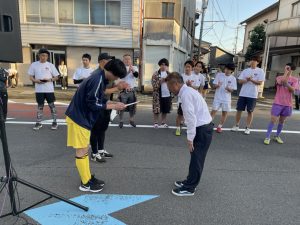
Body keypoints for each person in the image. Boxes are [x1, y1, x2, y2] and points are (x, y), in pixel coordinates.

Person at [65, 59, 127, 192]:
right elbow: (92, 104)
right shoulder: (97, 79)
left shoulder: (100, 76)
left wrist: (114, 104)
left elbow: (99, 99)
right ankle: (85, 183)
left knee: (84, 149)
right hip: (79, 118)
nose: (116, 79)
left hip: (81, 117)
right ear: (111, 72)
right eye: (116, 76)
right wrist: (113, 105)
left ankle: (87, 177)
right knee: (81, 150)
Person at [165, 72, 213, 197]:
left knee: (197, 159)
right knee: (195, 158)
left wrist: (190, 138)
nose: (169, 89)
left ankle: (190, 188)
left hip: (201, 129)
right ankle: (189, 181)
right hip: (203, 127)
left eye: (169, 87)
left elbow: (191, 119)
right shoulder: (187, 92)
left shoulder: (186, 95)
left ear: (175, 84)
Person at [90, 53, 128, 163]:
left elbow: (113, 86)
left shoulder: (106, 74)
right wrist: (116, 89)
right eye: (109, 60)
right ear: (102, 61)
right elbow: (100, 92)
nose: (111, 63)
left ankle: (100, 150)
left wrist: (120, 86)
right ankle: (94, 153)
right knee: (95, 130)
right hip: (99, 104)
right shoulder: (96, 75)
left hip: (106, 103)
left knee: (102, 128)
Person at [264, 63, 299, 145]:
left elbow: (293, 90)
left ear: (292, 70)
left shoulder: (295, 79)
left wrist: (287, 83)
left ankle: (277, 136)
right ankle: (267, 136)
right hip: (277, 102)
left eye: (288, 68)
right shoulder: (279, 77)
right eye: (286, 67)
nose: (286, 69)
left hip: (287, 104)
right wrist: (286, 74)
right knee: (273, 120)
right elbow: (281, 82)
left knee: (281, 121)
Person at [231, 56, 265, 135]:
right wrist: (247, 79)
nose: (253, 61)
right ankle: (236, 125)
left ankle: (247, 127)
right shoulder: (245, 70)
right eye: (252, 60)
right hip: (243, 93)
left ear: (258, 62)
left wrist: (251, 80)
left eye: (255, 60)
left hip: (252, 95)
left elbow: (260, 83)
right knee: (239, 110)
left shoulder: (260, 71)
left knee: (250, 111)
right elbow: (239, 81)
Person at [28, 48, 60, 131]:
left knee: (51, 105)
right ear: (39, 55)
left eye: (46, 56)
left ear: (48, 57)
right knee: (40, 106)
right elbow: (31, 76)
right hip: (39, 89)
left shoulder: (50, 65)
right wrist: (36, 81)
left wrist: (49, 80)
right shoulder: (34, 65)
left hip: (49, 89)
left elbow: (56, 77)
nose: (44, 57)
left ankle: (55, 121)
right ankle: (38, 122)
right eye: (42, 55)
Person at [211, 63, 237, 133]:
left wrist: (229, 89)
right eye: (226, 69)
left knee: (224, 113)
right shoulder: (219, 75)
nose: (227, 70)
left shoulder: (233, 78)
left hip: (226, 99)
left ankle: (220, 126)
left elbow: (233, 90)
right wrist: (217, 85)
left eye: (229, 69)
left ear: (232, 71)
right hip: (217, 97)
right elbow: (214, 85)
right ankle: (209, 124)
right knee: (213, 111)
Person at [176, 60, 198, 136]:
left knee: (190, 115)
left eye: (189, 67)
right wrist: (185, 85)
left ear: (192, 68)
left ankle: (189, 129)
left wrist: (190, 86)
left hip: (191, 100)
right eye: (186, 66)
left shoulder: (195, 77)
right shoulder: (181, 76)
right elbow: (177, 87)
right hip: (182, 100)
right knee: (180, 115)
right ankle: (178, 129)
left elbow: (196, 88)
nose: (187, 68)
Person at [118, 54, 139, 128]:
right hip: (123, 91)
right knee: (121, 106)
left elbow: (136, 75)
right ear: (123, 60)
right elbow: (121, 76)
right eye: (125, 59)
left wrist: (132, 70)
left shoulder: (134, 67)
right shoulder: (121, 68)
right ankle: (121, 120)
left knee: (132, 106)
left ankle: (131, 120)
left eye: (129, 59)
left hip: (132, 90)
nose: (127, 60)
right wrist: (128, 71)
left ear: (131, 60)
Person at [151, 58, 172, 128]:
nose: (163, 66)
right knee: (156, 109)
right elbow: (153, 85)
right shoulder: (155, 74)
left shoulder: (169, 74)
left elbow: (173, 84)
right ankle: (156, 123)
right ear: (159, 65)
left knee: (165, 110)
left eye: (165, 65)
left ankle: (163, 122)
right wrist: (160, 81)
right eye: (162, 64)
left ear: (167, 66)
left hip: (167, 94)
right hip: (157, 95)